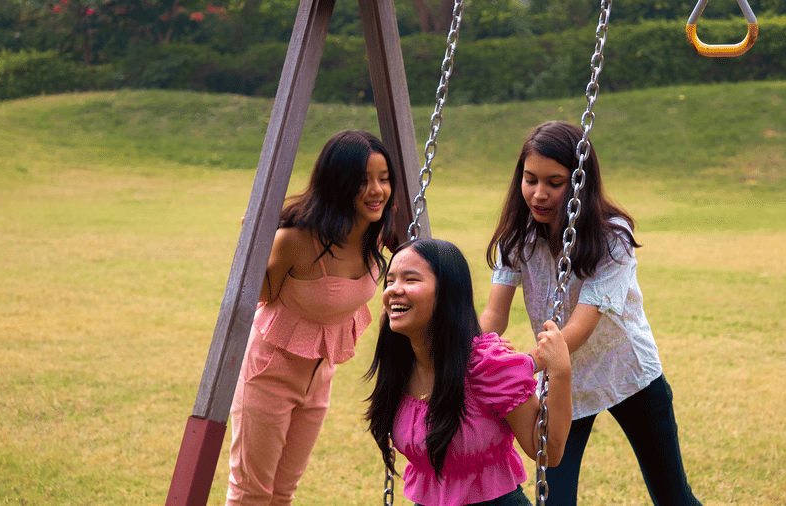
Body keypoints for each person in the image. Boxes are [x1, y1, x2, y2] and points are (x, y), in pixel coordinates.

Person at [479, 121, 703, 506]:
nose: (539, 194)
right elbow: (494, 314)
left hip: (628, 374)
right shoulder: (517, 237)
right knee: (555, 500)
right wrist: (468, 355)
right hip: (565, 385)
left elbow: (579, 329)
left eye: (555, 182)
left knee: (674, 499)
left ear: (580, 183)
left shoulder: (611, 238)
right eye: (530, 179)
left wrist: (519, 367)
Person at [226, 130, 396, 506]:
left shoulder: (379, 230)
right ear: (337, 183)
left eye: (383, 179)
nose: (376, 190)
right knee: (251, 494)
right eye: (363, 180)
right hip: (268, 375)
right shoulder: (295, 240)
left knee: (283, 494)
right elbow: (262, 296)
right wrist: (252, 245)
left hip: (320, 378)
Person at [365, 238, 572, 506]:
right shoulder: (400, 364)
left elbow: (547, 453)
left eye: (410, 279)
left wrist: (560, 372)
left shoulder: (487, 365)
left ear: (447, 293)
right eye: (390, 280)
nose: (394, 290)